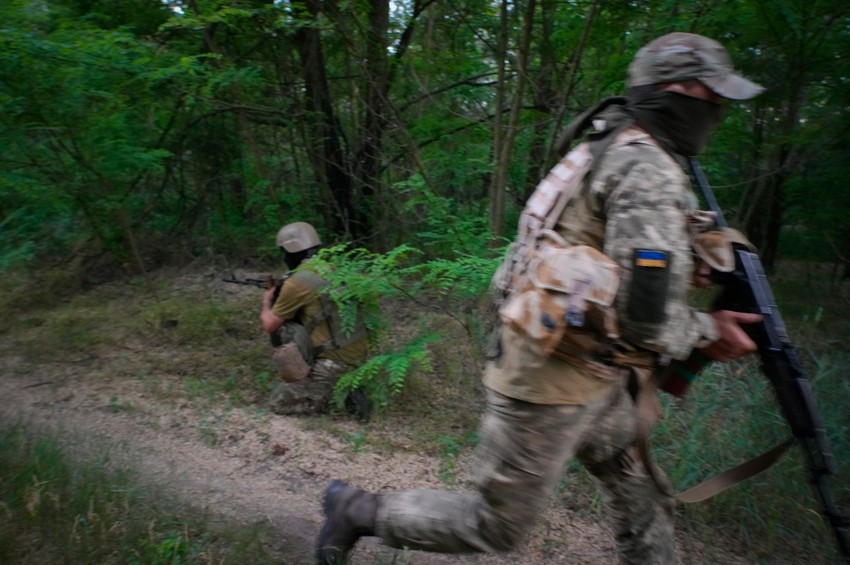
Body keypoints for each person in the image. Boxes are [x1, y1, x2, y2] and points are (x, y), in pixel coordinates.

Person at [315, 32, 765, 564]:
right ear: (675, 90)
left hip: (592, 369)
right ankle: (356, 511)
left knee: (644, 497)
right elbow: (646, 321)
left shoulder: (612, 144)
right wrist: (713, 333)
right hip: (551, 379)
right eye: (709, 94)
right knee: (493, 527)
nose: (715, 109)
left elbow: (618, 266)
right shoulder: (645, 169)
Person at [259, 221, 369, 417]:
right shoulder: (339, 268)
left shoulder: (297, 282)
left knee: (278, 404)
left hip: (333, 362)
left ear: (290, 251)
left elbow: (270, 325)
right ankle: (346, 385)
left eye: (283, 252)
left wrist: (267, 300)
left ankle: (341, 400)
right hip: (360, 357)